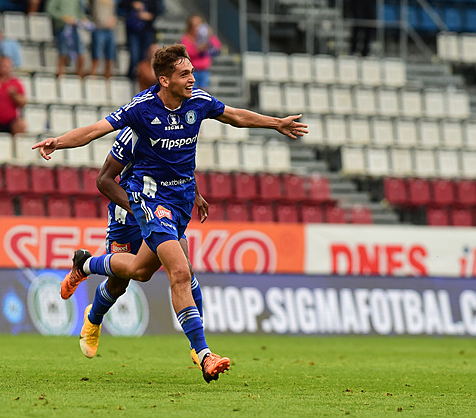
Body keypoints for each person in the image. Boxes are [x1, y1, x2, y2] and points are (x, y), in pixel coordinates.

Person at [32, 43, 308, 383]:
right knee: (180, 270)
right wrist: (58, 141)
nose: (193, 78)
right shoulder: (141, 112)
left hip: (178, 201)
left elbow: (234, 116)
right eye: (185, 74)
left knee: (138, 272)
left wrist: (276, 123)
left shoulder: (198, 103)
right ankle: (202, 352)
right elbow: (95, 134)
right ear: (164, 80)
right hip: (144, 201)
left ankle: (86, 265)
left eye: (192, 71)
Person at [65, 126, 209, 364]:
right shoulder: (134, 131)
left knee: (184, 268)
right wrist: (140, 211)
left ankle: (198, 347)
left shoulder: (174, 127)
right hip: (129, 213)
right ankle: (94, 315)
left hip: (164, 209)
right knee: (120, 283)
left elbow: (179, 166)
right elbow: (104, 180)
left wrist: (195, 194)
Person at [120, 0, 163, 80]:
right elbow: (121, 5)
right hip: (133, 30)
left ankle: (141, 78)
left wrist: (149, 16)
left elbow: (158, 11)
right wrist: (132, 4)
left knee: (144, 57)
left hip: (146, 30)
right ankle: (131, 77)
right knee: (134, 56)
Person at [46, 0, 90, 77]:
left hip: (74, 28)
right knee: (63, 54)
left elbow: (79, 12)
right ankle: (61, 78)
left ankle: (80, 79)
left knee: (81, 53)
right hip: (62, 28)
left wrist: (83, 19)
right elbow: (50, 9)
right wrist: (63, 18)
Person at [180, 14, 221, 90]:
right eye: (194, 26)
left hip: (204, 70)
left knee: (203, 92)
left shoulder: (206, 37)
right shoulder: (187, 38)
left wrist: (211, 35)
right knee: (191, 91)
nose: (197, 28)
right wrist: (198, 50)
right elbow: (185, 52)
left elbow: (217, 47)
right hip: (191, 71)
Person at [88, 0, 118, 79]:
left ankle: (108, 81)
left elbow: (115, 12)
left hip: (110, 29)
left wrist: (114, 19)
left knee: (110, 57)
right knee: (96, 56)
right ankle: (92, 78)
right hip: (98, 28)